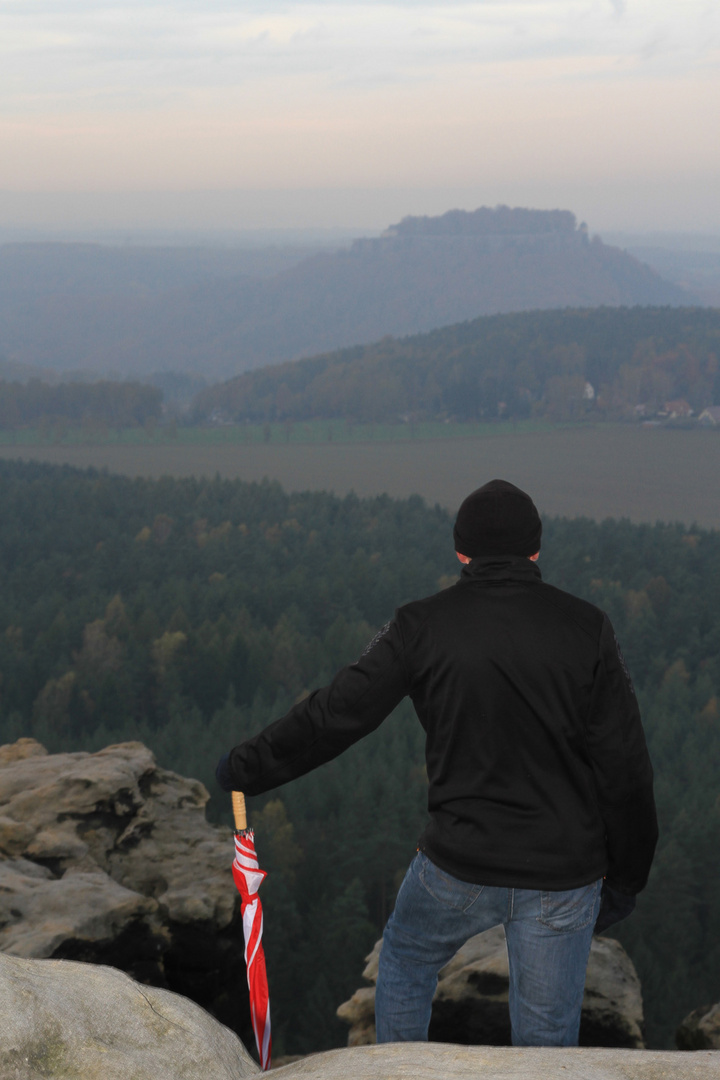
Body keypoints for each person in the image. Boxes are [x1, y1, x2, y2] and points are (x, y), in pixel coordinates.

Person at [216, 478, 658, 1047]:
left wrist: (248, 767)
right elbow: (626, 768)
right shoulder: (587, 628)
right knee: (546, 1039)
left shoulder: (420, 626)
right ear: (536, 550)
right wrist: (626, 879)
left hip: (457, 866)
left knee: (404, 962)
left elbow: (336, 715)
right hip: (563, 873)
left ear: (460, 551)